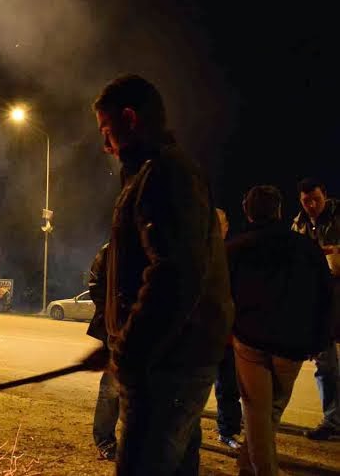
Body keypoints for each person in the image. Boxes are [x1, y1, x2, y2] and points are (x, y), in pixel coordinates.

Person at [92, 74, 233, 474]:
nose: (105, 144)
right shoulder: (157, 173)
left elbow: (173, 276)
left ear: (130, 118)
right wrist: (115, 340)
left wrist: (130, 350)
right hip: (172, 358)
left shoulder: (166, 175)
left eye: (107, 131)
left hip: (167, 366)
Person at [228, 185, 333, 474]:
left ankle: (253, 465)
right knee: (272, 407)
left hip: (249, 341)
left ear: (247, 211)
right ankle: (258, 467)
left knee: (257, 410)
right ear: (278, 210)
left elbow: (222, 296)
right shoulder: (305, 247)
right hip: (291, 343)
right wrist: (320, 338)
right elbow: (325, 296)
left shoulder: (234, 249)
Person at [291, 177, 340, 440]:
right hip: (319, 300)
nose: (311, 205)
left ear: (326, 195)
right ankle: (333, 420)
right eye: (305, 201)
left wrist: (335, 252)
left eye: (316, 199)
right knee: (326, 363)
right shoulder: (298, 223)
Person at [213, 208, 243, 449]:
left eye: (219, 224)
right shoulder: (195, 253)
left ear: (226, 227)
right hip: (200, 334)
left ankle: (228, 430)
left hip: (226, 334)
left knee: (228, 385)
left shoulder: (232, 255)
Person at [86, 243, 119, 461]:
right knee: (112, 389)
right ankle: (105, 441)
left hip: (146, 330)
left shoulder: (157, 243)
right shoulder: (112, 250)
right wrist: (111, 315)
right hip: (117, 330)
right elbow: (96, 284)